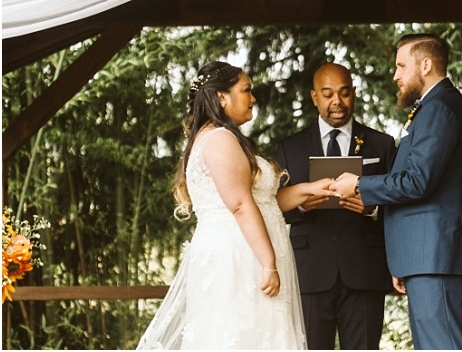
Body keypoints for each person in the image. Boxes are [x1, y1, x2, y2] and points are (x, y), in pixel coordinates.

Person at [137, 61, 336, 350]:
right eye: (246, 90)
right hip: (241, 258)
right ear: (222, 97)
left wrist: (308, 189)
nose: (253, 98)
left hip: (248, 250)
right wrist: (268, 262)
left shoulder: (225, 137)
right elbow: (241, 205)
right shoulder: (220, 139)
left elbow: (263, 201)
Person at [331, 33, 462, 350]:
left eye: (402, 66)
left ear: (426, 64)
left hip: (439, 258)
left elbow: (418, 180)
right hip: (428, 258)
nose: (396, 75)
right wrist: (405, 260)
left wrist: (359, 184)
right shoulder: (435, 107)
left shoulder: (439, 109)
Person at [274, 63, 396, 350]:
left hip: (365, 271)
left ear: (354, 93)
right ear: (314, 97)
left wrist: (373, 208)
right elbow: (275, 206)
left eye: (344, 93)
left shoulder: (382, 144)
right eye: (328, 94)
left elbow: (399, 203)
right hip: (310, 272)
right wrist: (302, 206)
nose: (337, 102)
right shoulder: (290, 147)